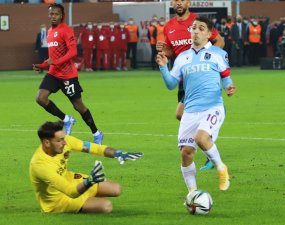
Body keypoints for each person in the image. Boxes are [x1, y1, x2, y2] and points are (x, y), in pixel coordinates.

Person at [156, 16, 236, 194]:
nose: (196, 31)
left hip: (213, 106)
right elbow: (171, 84)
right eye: (193, 28)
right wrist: (163, 67)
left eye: (201, 29)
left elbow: (226, 77)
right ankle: (192, 193)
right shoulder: (183, 57)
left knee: (201, 139)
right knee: (186, 153)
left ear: (208, 34)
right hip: (190, 110)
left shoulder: (218, 53)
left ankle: (221, 167)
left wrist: (229, 87)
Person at [156, 0, 225, 171]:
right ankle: (206, 143)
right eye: (175, 1)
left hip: (200, 76)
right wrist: (164, 51)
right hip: (184, 78)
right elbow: (172, 52)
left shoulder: (198, 22)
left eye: (182, 0)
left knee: (181, 112)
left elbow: (220, 42)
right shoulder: (169, 26)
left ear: (188, 2)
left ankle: (206, 146)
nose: (178, 3)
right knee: (181, 114)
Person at [29, 120, 143, 213]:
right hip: (58, 201)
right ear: (47, 143)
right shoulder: (40, 166)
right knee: (106, 206)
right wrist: (89, 182)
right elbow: (71, 192)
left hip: (70, 180)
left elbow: (95, 148)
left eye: (64, 138)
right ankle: (87, 202)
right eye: (60, 140)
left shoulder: (65, 142)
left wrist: (118, 154)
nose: (65, 143)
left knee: (116, 189)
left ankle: (88, 201)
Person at [32, 3, 104, 144]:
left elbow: (73, 52)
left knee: (79, 106)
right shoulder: (50, 32)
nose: (53, 16)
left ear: (62, 16)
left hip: (67, 75)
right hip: (53, 73)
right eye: (51, 14)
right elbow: (52, 57)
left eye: (56, 14)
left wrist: (56, 61)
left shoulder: (66, 30)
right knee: (40, 98)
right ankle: (66, 119)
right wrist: (42, 65)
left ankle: (96, 133)